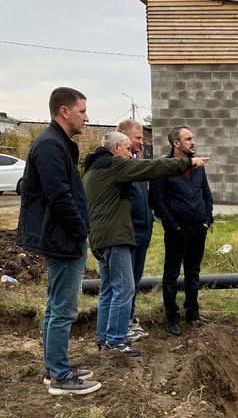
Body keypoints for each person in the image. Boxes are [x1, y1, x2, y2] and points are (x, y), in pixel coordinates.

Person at [83, 131, 208, 356]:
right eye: (129, 149)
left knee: (109, 290)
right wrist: (186, 163)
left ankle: (104, 339)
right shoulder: (113, 165)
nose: (131, 154)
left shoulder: (94, 168)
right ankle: (115, 341)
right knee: (125, 289)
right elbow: (152, 168)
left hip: (101, 237)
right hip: (115, 237)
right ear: (117, 148)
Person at [16, 87, 102, 395]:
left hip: (63, 236)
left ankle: (55, 367)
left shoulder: (58, 144)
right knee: (63, 309)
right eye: (82, 111)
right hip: (62, 238)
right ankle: (61, 377)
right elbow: (59, 195)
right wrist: (80, 230)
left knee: (57, 307)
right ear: (64, 112)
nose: (87, 118)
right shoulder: (50, 145)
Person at [149, 126, 213, 337]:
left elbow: (206, 193)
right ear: (176, 143)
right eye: (188, 139)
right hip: (178, 231)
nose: (193, 142)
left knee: (193, 273)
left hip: (198, 228)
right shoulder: (164, 167)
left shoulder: (198, 167)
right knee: (172, 274)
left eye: (192, 138)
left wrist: (207, 220)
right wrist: (172, 226)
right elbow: (157, 201)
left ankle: (192, 313)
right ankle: (172, 316)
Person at [117, 120, 152, 342]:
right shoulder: (119, 166)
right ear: (124, 138)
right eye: (138, 138)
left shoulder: (138, 164)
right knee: (124, 283)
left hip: (144, 230)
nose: (142, 142)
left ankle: (129, 318)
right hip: (128, 233)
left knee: (135, 279)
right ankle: (122, 325)